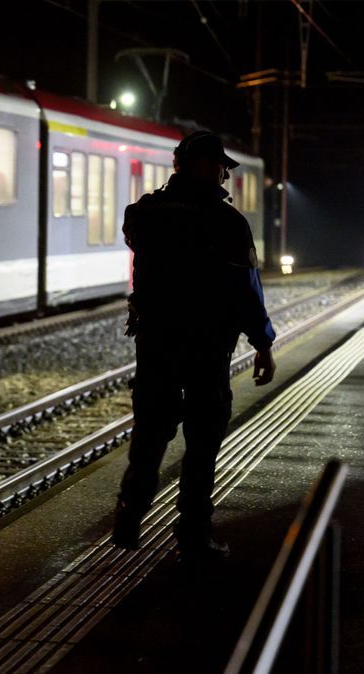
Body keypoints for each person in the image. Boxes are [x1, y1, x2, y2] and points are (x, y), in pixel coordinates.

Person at [112, 130, 276, 562]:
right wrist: (263, 342)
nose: (225, 173)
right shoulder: (227, 223)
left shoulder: (145, 213)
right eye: (221, 165)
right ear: (205, 166)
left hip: (157, 345)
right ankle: (193, 535)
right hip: (205, 348)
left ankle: (129, 516)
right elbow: (246, 291)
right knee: (202, 442)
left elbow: (136, 235)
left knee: (150, 433)